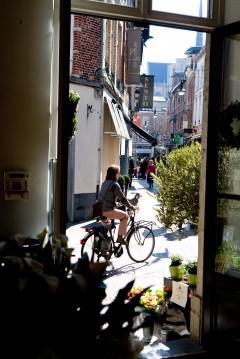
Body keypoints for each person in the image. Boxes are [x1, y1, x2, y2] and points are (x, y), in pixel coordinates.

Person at [98, 164, 139, 245]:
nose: (120, 174)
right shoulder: (114, 185)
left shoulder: (104, 182)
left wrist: (115, 203)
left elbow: (105, 197)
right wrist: (132, 207)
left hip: (98, 210)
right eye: (118, 172)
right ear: (115, 174)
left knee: (109, 228)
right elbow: (123, 199)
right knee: (125, 216)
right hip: (107, 211)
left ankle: (105, 250)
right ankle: (120, 238)